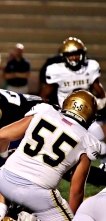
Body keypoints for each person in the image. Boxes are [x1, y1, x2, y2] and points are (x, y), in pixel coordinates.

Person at [0, 90, 101, 220]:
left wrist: (4, 156)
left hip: (3, 181)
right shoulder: (87, 141)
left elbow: (1, 135)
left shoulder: (44, 110)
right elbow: (75, 192)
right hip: (37, 195)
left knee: (13, 157)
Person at [40, 37, 106, 166]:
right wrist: (52, 112)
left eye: (76, 54)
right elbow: (44, 95)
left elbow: (100, 93)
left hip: (85, 115)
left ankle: (104, 166)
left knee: (100, 139)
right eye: (70, 55)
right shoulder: (57, 70)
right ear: (64, 56)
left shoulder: (90, 67)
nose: (74, 58)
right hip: (66, 116)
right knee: (59, 147)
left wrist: (99, 102)